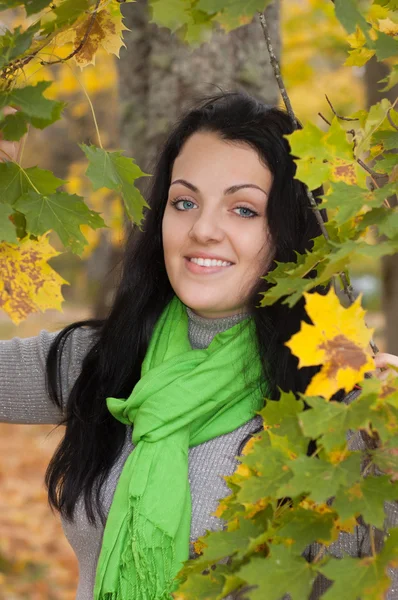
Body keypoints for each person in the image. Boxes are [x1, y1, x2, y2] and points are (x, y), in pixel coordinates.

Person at [0, 92, 397, 600]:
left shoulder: (343, 405)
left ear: (288, 231)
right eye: (184, 202)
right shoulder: (105, 359)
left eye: (244, 209)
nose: (203, 230)